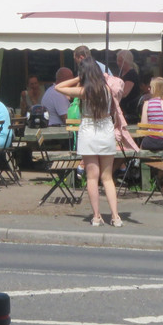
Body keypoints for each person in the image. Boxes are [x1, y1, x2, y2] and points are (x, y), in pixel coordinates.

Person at [56, 58, 122, 227]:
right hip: (105, 130)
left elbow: (59, 87)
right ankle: (115, 216)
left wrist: (78, 78)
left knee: (92, 177)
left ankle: (96, 216)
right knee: (107, 178)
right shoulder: (108, 89)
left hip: (88, 131)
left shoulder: (84, 91)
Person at [115, 50, 142, 124]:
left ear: (127, 61)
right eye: (117, 61)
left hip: (129, 110)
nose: (118, 63)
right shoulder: (120, 72)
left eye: (120, 61)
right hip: (122, 109)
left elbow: (124, 93)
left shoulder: (131, 75)